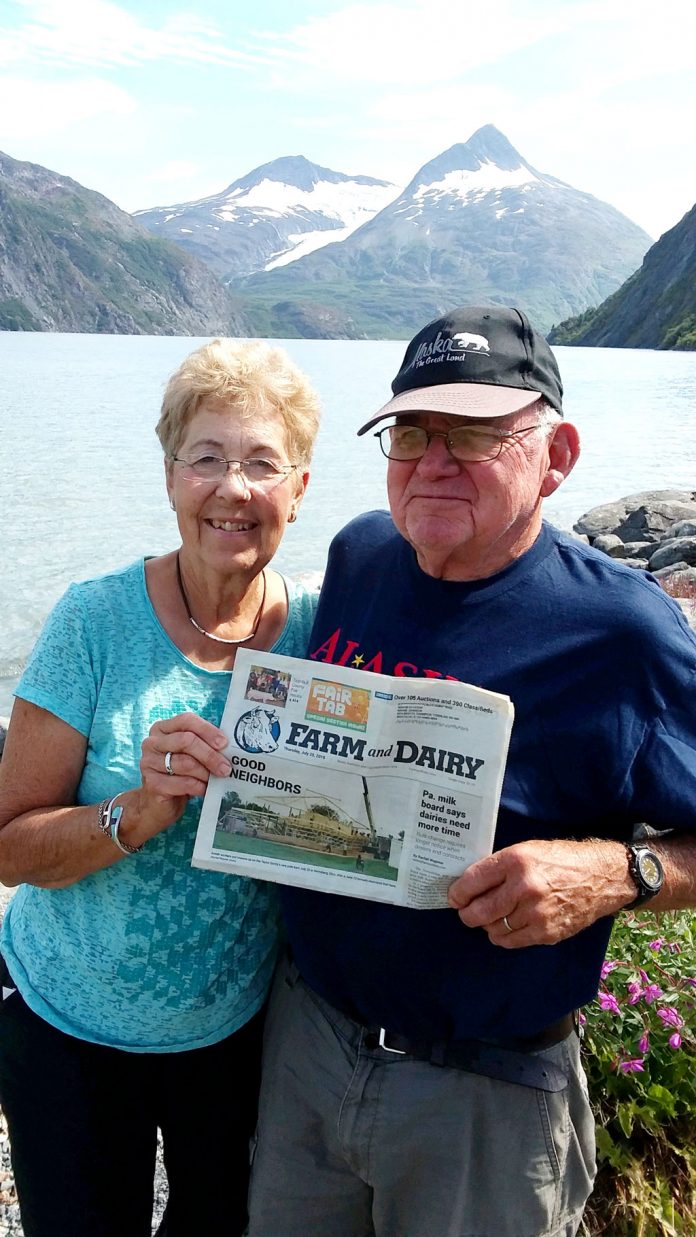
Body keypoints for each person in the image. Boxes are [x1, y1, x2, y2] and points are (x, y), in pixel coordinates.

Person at [246, 306, 696, 1237]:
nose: (434, 461)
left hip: (485, 1094)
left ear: (556, 455)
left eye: (477, 433)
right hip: (307, 1048)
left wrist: (620, 871)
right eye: (412, 432)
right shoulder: (361, 555)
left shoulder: (623, 632)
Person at [0, 338, 320, 1237]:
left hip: (235, 1036)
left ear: (299, 488)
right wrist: (136, 812)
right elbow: (10, 847)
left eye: (262, 463)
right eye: (206, 457)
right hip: (68, 1026)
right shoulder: (94, 621)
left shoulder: (318, 634)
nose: (233, 489)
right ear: (172, 476)